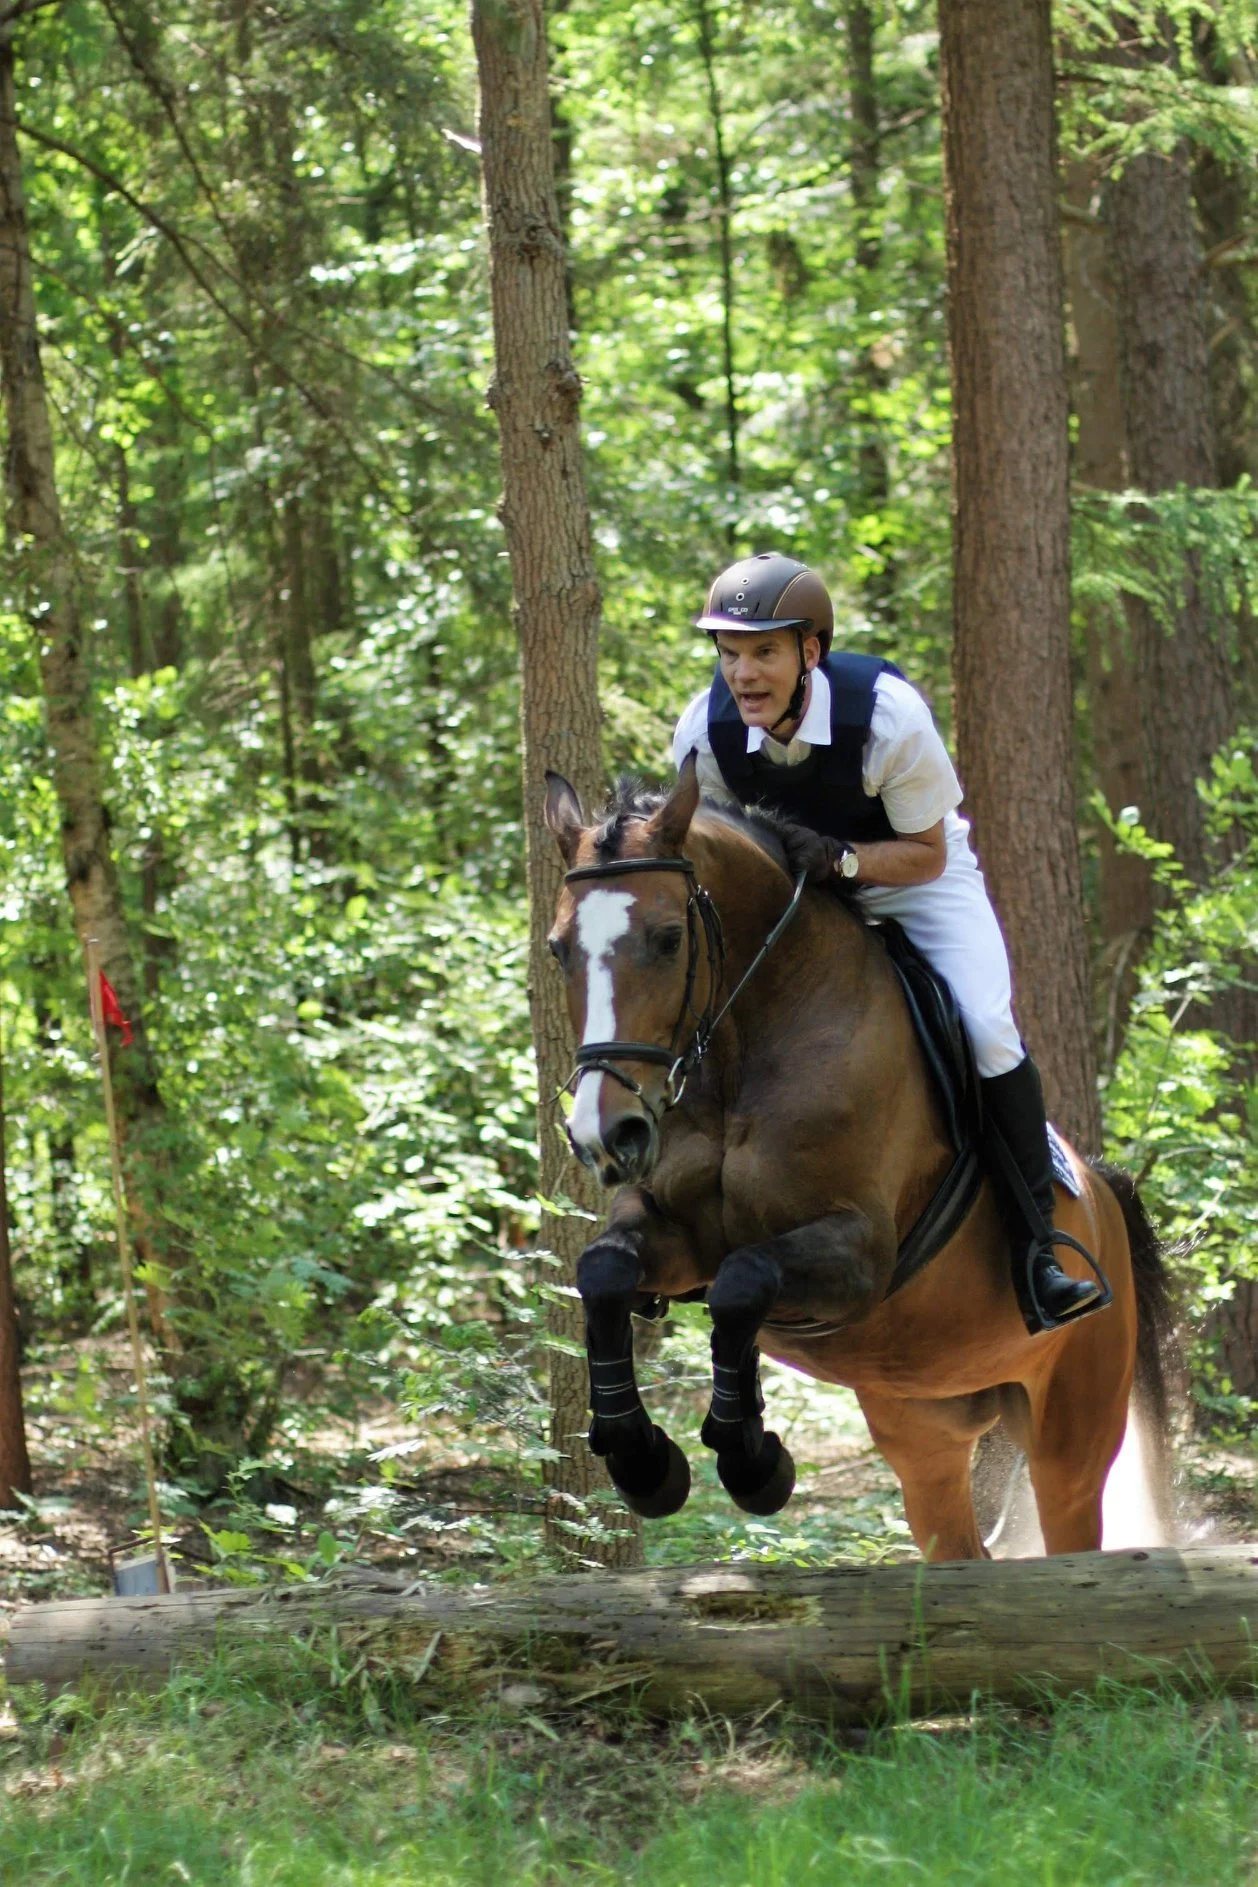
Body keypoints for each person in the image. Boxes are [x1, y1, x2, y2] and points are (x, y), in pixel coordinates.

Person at [672, 550, 1103, 1333]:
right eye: (729, 653)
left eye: (764, 650)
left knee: (985, 1024)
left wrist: (842, 860)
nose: (744, 674)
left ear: (811, 650)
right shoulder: (705, 734)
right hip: (798, 908)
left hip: (913, 883)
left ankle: (1039, 1248)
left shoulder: (888, 718)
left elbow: (927, 851)